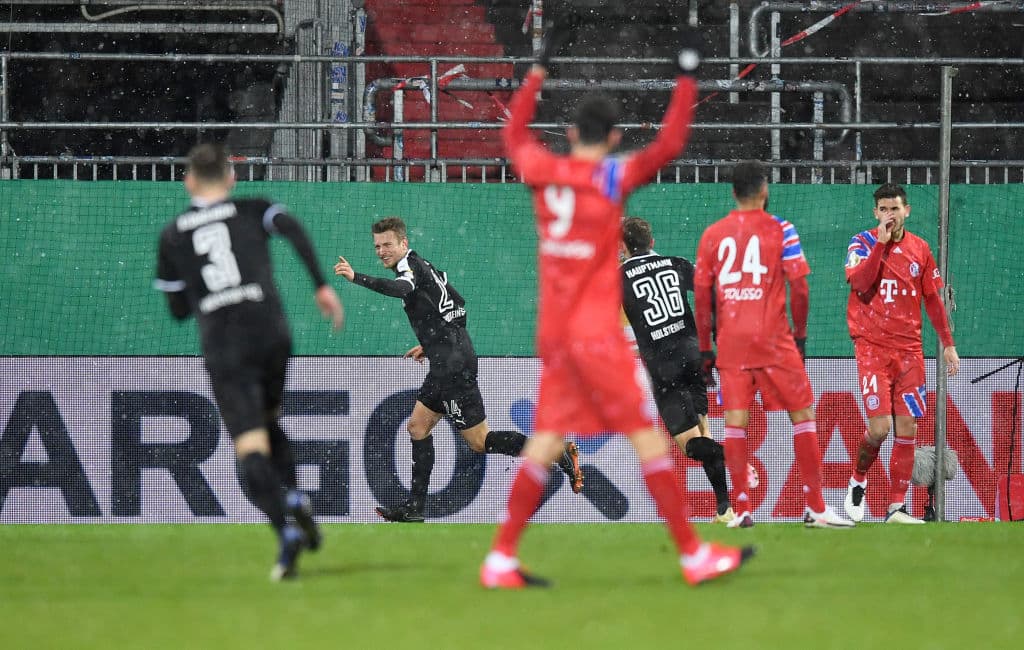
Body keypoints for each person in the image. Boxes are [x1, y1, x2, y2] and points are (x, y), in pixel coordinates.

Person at [479, 29, 753, 590]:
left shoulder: (541, 170)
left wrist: (536, 72)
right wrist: (685, 74)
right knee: (650, 440)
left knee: (548, 440)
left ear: (572, 133)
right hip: (595, 335)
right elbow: (670, 144)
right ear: (614, 138)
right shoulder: (610, 177)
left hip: (553, 335)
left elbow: (511, 134)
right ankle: (694, 555)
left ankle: (501, 558)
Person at [153, 143, 344, 580]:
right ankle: (295, 496)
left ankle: (285, 532)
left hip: (226, 344)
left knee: (250, 446)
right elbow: (290, 225)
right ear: (232, 179)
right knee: (269, 421)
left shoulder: (173, 235)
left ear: (188, 182)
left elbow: (179, 311)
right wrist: (320, 285)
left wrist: (200, 290)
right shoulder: (252, 209)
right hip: (271, 331)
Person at [334, 217, 583, 523]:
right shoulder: (425, 266)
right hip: (447, 360)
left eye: (387, 244)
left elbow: (401, 288)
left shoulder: (409, 269)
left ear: (403, 243)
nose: (381, 251)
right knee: (417, 427)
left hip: (452, 366)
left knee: (480, 441)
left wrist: (357, 277)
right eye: (377, 246)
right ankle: (415, 508)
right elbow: (459, 307)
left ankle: (555, 451)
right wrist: (434, 343)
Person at [693, 160, 854, 529]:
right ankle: (815, 506)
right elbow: (799, 286)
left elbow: (702, 296)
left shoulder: (713, 234)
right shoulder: (782, 229)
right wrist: (800, 336)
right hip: (774, 338)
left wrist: (706, 348)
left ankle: (743, 509)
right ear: (764, 191)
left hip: (731, 342)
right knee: (803, 415)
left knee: (735, 422)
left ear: (733, 193)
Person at [620, 216, 758, 524]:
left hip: (663, 368)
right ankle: (725, 508)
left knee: (691, 446)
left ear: (623, 246)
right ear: (652, 242)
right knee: (705, 432)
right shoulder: (677, 263)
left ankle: (734, 459)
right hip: (695, 357)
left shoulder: (618, 277)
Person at [842, 183, 960, 524]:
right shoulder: (861, 243)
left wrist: (948, 344)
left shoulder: (920, 249)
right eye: (883, 209)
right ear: (875, 213)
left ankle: (896, 506)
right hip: (871, 349)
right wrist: (879, 244)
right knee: (879, 428)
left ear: (906, 210)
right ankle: (858, 479)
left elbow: (933, 301)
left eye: (895, 208)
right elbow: (861, 284)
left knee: (907, 427)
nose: (889, 215)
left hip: (909, 351)